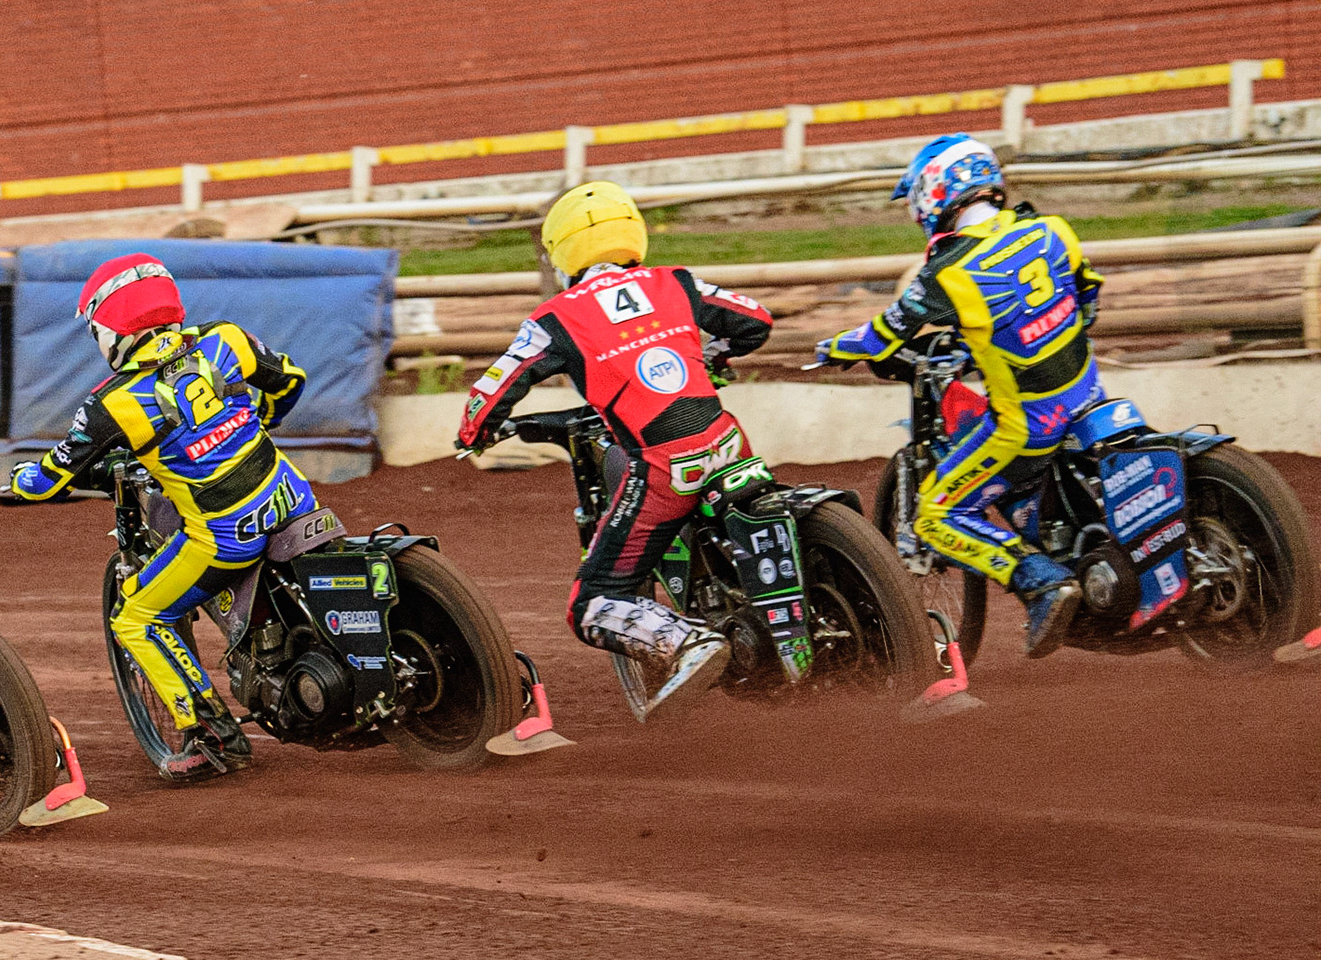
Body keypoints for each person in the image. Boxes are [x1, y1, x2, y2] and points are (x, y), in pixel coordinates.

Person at [456, 181, 775, 715]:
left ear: (564, 251)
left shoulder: (555, 318)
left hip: (665, 468)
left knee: (593, 600)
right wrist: (712, 356)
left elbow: (495, 386)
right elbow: (756, 321)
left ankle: (687, 641)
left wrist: (474, 433)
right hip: (730, 444)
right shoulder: (676, 282)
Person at [7, 253, 312, 783]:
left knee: (135, 617)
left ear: (111, 325)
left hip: (225, 536)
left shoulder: (114, 403)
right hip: (294, 498)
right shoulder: (225, 338)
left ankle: (214, 735)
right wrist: (262, 420)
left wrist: (17, 481)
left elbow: (50, 478)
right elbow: (290, 380)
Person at [814, 133, 1106, 657]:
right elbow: (1087, 297)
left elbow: (883, 334)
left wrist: (833, 345)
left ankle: (1041, 581)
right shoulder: (1052, 229)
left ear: (934, 193)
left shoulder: (948, 271)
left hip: (1029, 428)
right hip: (1089, 399)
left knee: (937, 514)